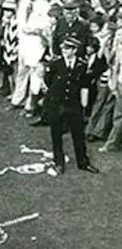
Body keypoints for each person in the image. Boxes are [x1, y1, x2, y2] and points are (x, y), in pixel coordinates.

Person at [44, 37, 100, 175]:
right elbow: (48, 81)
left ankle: (83, 162)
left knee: (78, 134)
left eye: (68, 49)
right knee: (56, 134)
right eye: (63, 48)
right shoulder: (55, 64)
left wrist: (84, 106)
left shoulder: (81, 65)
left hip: (74, 105)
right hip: (57, 103)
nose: (65, 51)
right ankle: (59, 162)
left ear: (74, 50)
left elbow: (85, 85)